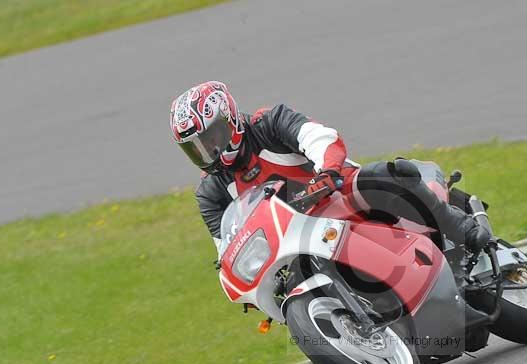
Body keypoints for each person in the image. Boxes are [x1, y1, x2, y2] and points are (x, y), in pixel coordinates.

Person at [170, 81, 489, 255]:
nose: (209, 151)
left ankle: (465, 230)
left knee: (387, 177)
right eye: (196, 147)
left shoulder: (267, 123)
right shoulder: (210, 193)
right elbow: (227, 248)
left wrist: (327, 173)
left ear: (230, 120)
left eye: (212, 138)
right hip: (299, 240)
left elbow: (319, 138)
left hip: (339, 194)